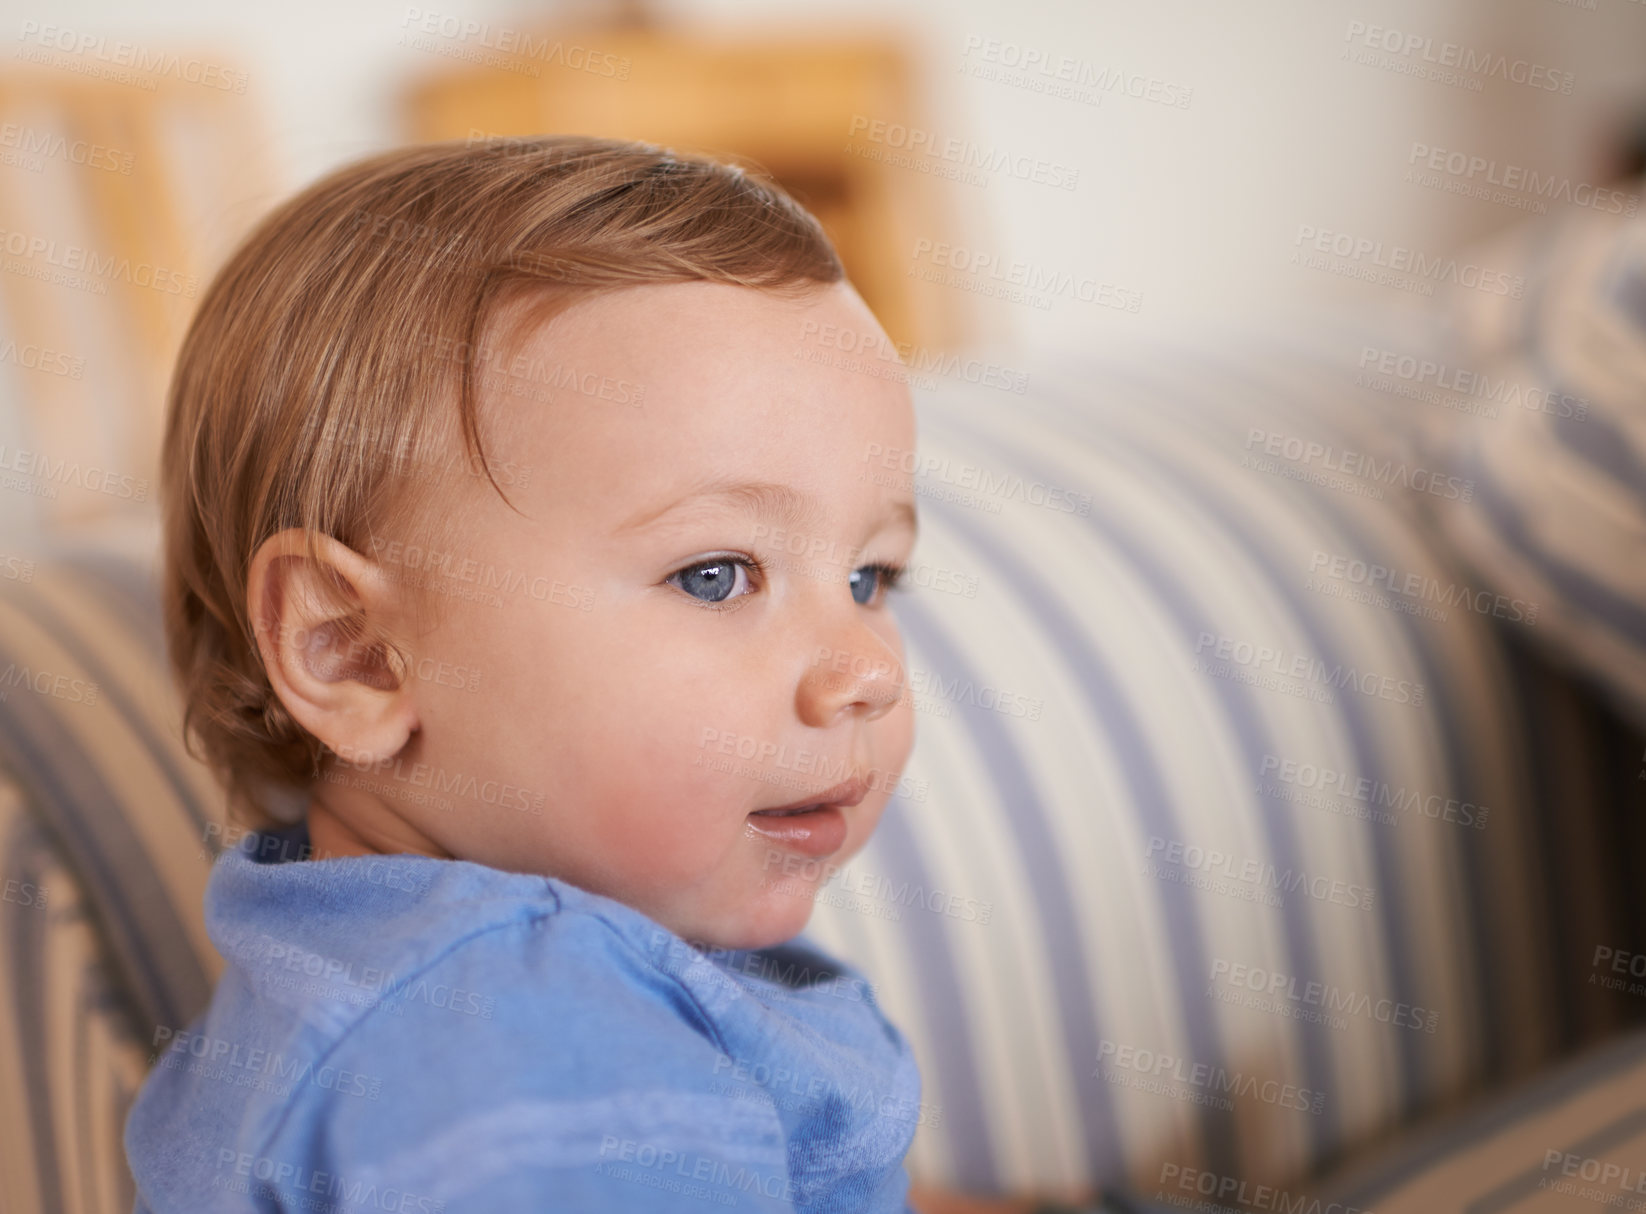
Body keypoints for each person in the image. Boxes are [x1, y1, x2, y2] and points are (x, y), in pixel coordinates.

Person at [123, 133, 1097, 1213]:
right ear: (354, 653)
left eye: (871, 577)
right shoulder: (517, 1034)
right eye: (717, 574)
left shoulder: (396, 986)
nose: (864, 670)